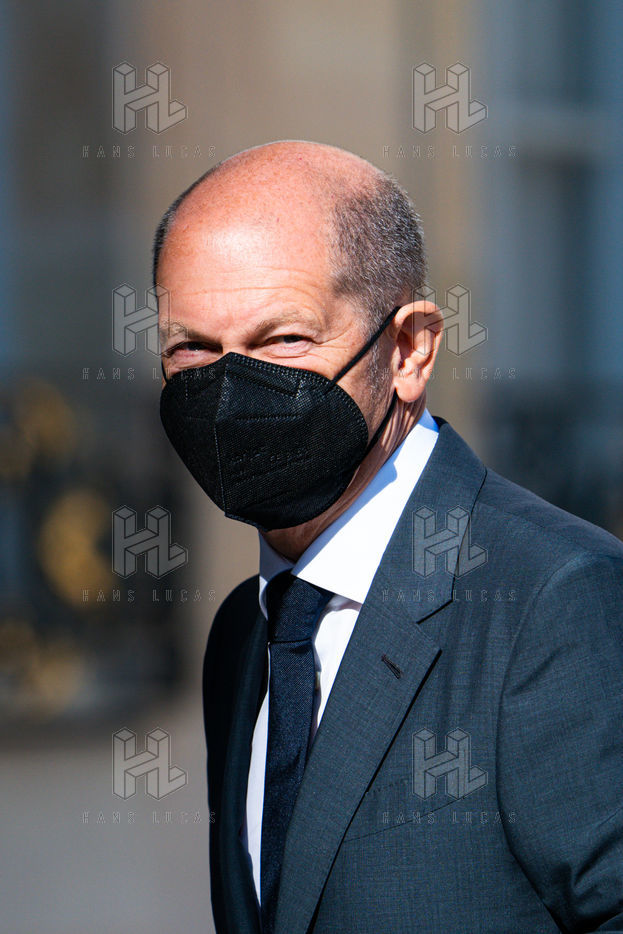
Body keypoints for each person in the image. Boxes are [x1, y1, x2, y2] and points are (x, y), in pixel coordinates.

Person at [154, 141, 623, 934]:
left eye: (284, 340)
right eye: (191, 347)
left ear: (409, 350)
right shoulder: (244, 632)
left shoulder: (555, 600)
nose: (228, 390)